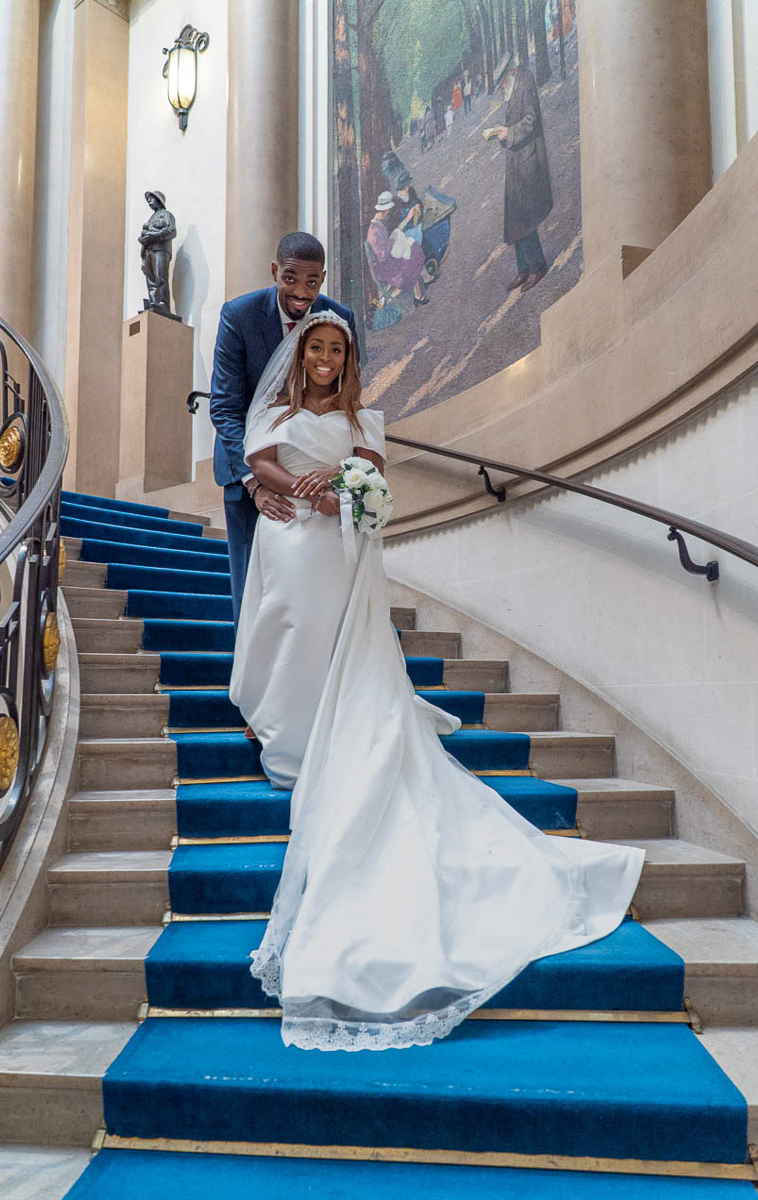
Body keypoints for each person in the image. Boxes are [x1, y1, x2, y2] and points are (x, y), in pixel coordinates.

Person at [230, 311, 645, 1053]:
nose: (325, 358)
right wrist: (298, 487)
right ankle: (285, 727)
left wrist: (346, 491)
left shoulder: (366, 416)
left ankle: (323, 730)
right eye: (317, 348)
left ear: (347, 359)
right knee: (288, 621)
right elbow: (260, 462)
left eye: (336, 350)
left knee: (329, 635)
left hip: (340, 540)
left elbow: (372, 473)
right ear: (301, 354)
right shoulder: (277, 409)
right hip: (291, 528)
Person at [208, 231, 357, 629]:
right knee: (253, 587)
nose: (300, 292)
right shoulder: (239, 315)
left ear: (322, 278)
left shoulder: (339, 319)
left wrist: (337, 471)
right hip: (247, 478)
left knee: (305, 594)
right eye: (290, 278)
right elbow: (224, 407)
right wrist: (256, 483)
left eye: (312, 282)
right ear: (275, 271)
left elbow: (349, 398)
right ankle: (251, 682)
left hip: (312, 479)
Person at [497, 64, 553, 292]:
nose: (501, 86)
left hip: (528, 159)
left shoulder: (525, 82)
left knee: (525, 216)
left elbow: (531, 120)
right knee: (515, 217)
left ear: (510, 73)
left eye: (501, 80)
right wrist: (502, 133)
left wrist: (508, 133)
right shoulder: (512, 88)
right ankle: (523, 268)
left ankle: (537, 266)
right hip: (516, 159)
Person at [366, 192, 428, 306]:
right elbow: (383, 255)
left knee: (412, 248)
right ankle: (418, 294)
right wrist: (393, 242)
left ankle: (420, 289)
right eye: (388, 210)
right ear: (384, 210)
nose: (389, 212)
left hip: (386, 262)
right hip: (384, 268)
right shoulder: (375, 230)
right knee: (412, 256)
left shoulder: (377, 225)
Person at [139, 191, 177, 316]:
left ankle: (163, 304)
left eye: (151, 199)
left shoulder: (166, 215)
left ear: (158, 200)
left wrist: (155, 235)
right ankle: (153, 302)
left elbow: (171, 231)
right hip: (148, 251)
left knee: (161, 277)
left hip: (160, 249)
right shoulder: (151, 218)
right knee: (151, 281)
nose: (149, 202)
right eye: (148, 199)